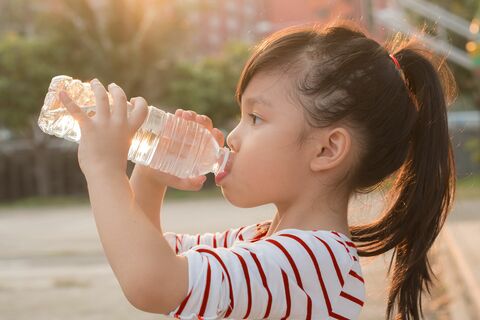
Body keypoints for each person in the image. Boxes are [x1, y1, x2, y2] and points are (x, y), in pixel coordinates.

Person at [59, 20, 457, 320]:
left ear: (327, 149)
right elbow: (149, 255)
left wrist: (102, 168)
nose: (232, 137)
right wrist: (149, 171)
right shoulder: (265, 242)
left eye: (256, 118)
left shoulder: (312, 262)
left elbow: (151, 283)